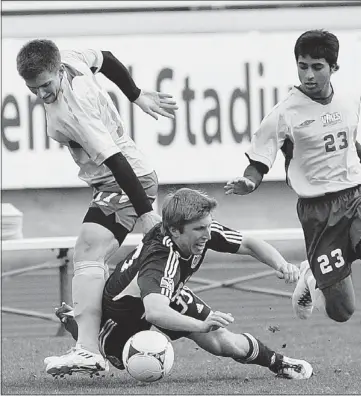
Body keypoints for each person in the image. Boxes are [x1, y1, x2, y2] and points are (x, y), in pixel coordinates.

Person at [224, 29, 361, 377]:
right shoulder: (284, 113)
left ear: (333, 67)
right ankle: (312, 278)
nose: (309, 75)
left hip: (358, 194)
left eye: (317, 67)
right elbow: (260, 161)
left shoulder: (349, 101)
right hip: (318, 212)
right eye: (302, 66)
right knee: (341, 311)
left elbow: (350, 147)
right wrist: (249, 181)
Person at [16, 39, 178, 377]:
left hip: (126, 180)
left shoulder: (71, 113)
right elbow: (106, 58)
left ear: (58, 71)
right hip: (112, 182)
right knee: (89, 254)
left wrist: (146, 211)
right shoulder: (73, 59)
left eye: (46, 86)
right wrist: (136, 95)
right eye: (34, 90)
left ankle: (89, 346)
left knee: (89, 248)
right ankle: (96, 333)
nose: (43, 95)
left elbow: (117, 161)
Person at [46, 188, 313, 380]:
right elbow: (155, 312)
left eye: (208, 226)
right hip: (122, 319)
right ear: (174, 231)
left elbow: (247, 243)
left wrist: (281, 264)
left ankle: (279, 363)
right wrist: (200, 325)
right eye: (199, 229)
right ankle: (82, 325)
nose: (207, 235)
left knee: (222, 344)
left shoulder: (199, 231)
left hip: (167, 295)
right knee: (117, 359)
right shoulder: (160, 261)